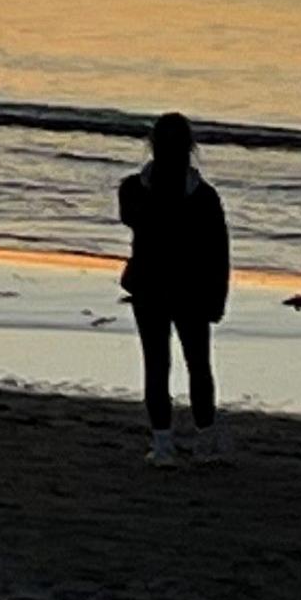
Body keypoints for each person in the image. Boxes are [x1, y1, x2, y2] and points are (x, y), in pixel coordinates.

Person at [119, 110, 231, 465]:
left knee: (157, 365)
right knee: (198, 364)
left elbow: (134, 218)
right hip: (191, 290)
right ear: (190, 146)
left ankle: (164, 443)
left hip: (151, 286)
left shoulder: (134, 189)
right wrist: (217, 297)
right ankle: (205, 438)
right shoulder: (203, 197)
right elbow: (219, 252)